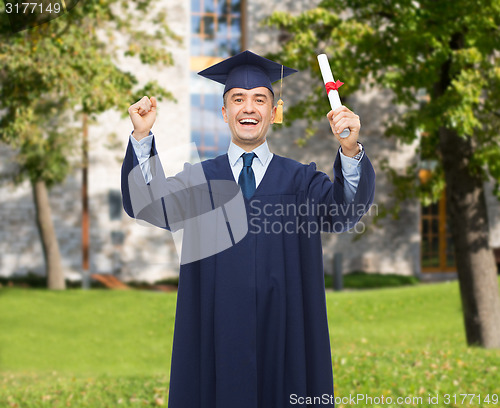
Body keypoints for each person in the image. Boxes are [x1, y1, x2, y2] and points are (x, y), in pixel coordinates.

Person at [121, 50, 375, 408]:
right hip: (217, 334)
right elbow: (150, 203)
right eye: (237, 99)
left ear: (274, 112)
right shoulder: (201, 181)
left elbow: (344, 211)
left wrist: (350, 150)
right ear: (225, 113)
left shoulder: (301, 181)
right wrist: (142, 137)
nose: (249, 108)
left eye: (260, 99)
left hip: (285, 333)